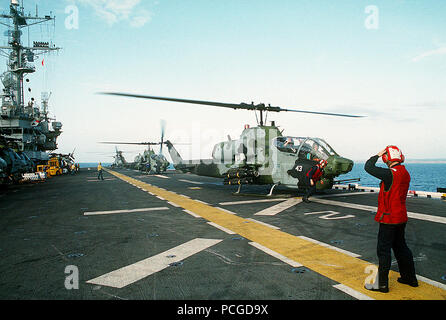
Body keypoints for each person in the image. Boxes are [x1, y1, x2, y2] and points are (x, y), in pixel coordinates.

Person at [364, 146, 418, 293]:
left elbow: (368, 167)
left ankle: (382, 285)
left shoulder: (389, 174)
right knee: (401, 247)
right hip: (401, 217)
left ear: (387, 158)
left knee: (383, 250)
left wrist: (377, 154)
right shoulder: (404, 173)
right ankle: (410, 278)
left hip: (388, 218)